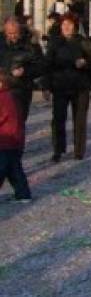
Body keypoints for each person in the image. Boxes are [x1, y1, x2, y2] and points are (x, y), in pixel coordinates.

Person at [47, 14, 91, 162]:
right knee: (58, 119)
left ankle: (79, 150)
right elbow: (47, 64)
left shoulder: (83, 42)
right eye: (64, 24)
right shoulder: (54, 42)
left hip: (80, 86)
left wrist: (85, 63)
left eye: (69, 24)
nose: (66, 27)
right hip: (60, 86)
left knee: (80, 119)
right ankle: (58, 149)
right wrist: (46, 86)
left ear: (75, 26)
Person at [0, 17, 43, 125]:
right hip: (2, 88)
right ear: (5, 31)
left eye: (15, 33)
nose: (13, 36)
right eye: (9, 33)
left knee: (18, 122)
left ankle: (18, 142)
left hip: (21, 89)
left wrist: (25, 71)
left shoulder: (31, 43)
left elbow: (41, 66)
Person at [0, 69, 29, 202]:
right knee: (14, 168)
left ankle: (23, 193)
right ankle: (23, 194)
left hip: (5, 138)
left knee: (4, 167)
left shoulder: (2, 97)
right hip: (15, 137)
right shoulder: (11, 95)